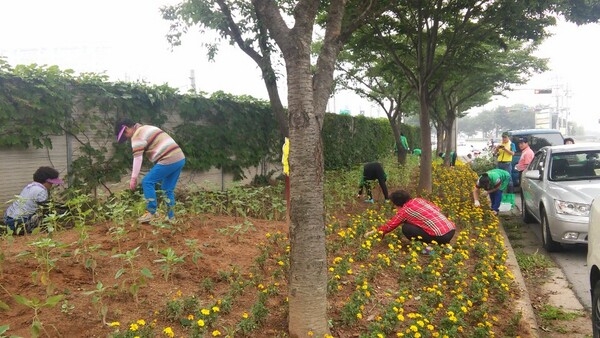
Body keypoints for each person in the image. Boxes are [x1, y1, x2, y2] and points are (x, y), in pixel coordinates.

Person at [115, 118, 186, 223]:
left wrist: (133, 178)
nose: (126, 138)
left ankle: (151, 212)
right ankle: (171, 217)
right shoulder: (147, 128)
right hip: (179, 158)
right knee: (167, 189)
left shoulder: (137, 135)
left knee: (147, 181)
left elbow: (138, 158)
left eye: (125, 135)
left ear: (126, 128)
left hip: (168, 158)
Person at [364, 190, 456, 244]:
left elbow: (389, 226)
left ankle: (429, 249)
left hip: (440, 236)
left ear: (397, 203)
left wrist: (373, 233)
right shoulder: (419, 200)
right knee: (411, 222)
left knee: (406, 228)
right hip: (451, 230)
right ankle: (444, 245)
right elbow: (437, 209)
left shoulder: (404, 211)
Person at [2, 166, 64, 234]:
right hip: (18, 222)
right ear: (46, 181)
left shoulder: (30, 186)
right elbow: (46, 209)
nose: (51, 185)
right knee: (43, 215)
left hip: (7, 219)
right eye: (51, 183)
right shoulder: (41, 191)